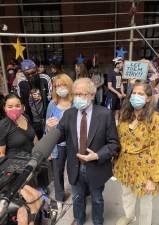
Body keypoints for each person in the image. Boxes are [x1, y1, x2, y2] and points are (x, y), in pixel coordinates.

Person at [46, 77, 120, 225]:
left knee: (97, 199)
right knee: (77, 197)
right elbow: (60, 138)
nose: (78, 98)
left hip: (97, 166)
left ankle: (98, 221)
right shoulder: (69, 114)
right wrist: (51, 129)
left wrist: (98, 155)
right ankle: (79, 219)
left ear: (92, 95)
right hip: (75, 166)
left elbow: (114, 144)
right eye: (76, 94)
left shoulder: (105, 115)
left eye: (83, 94)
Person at [114, 81, 159, 225]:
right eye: (134, 93)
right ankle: (129, 216)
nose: (136, 96)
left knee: (145, 199)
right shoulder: (125, 115)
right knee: (127, 194)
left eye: (141, 94)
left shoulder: (155, 119)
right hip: (126, 165)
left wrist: (153, 178)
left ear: (149, 98)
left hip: (146, 168)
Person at [46, 74, 73, 213]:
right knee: (57, 172)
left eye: (63, 85)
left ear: (69, 86)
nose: (60, 88)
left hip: (74, 145)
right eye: (57, 86)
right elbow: (47, 127)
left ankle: (79, 196)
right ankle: (59, 198)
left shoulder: (76, 102)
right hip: (58, 146)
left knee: (75, 171)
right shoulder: (52, 104)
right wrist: (49, 148)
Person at [17, 59, 52, 139]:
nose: (31, 76)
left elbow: (52, 99)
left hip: (47, 118)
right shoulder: (21, 84)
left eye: (33, 72)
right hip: (32, 121)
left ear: (37, 70)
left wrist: (43, 98)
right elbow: (21, 103)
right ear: (24, 74)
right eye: (27, 74)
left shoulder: (45, 79)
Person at [0, 94, 37, 158]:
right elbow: (1, 154)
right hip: (15, 164)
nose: (14, 109)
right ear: (4, 108)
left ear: (22, 106)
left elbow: (34, 137)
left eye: (17, 106)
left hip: (32, 160)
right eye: (10, 107)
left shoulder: (26, 117)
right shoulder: (3, 125)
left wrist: (40, 152)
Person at [105, 57, 126, 124]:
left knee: (117, 111)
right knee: (110, 112)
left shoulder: (120, 74)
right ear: (117, 64)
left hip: (118, 96)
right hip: (111, 96)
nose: (122, 65)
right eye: (121, 63)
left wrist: (122, 92)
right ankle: (108, 125)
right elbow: (109, 86)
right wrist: (118, 93)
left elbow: (121, 84)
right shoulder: (111, 73)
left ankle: (116, 125)